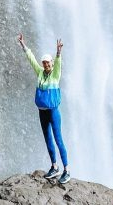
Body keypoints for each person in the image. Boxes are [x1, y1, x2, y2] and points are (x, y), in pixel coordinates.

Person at [18, 32, 70, 184]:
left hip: (53, 112)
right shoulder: (40, 72)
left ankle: (66, 170)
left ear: (51, 63)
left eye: (48, 62)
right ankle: (54, 167)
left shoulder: (55, 75)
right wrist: (23, 44)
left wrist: (58, 52)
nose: (46, 64)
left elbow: (58, 63)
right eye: (44, 62)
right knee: (48, 140)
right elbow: (31, 59)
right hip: (42, 112)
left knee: (58, 140)